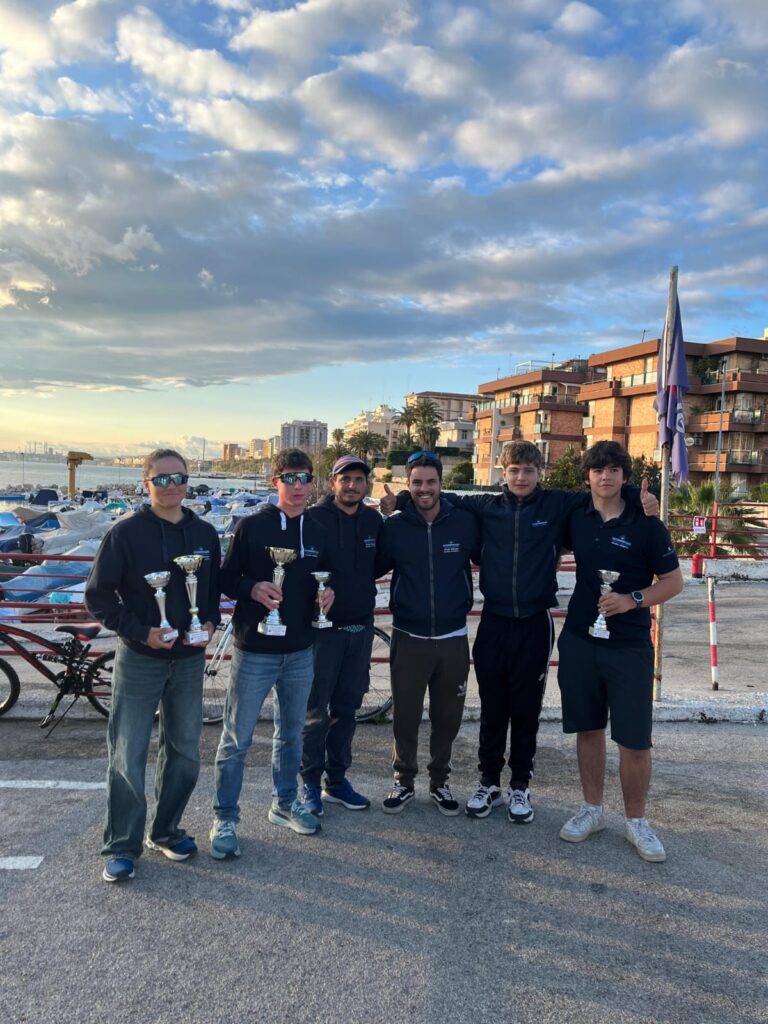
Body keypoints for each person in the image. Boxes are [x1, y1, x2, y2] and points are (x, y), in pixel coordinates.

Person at [380, 440, 658, 825]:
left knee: (526, 710)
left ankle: (520, 786)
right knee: (493, 707)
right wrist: (402, 501)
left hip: (534, 621)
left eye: (528, 470)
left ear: (540, 472)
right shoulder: (486, 505)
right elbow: (441, 496)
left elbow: (601, 491)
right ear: (503, 473)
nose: (521, 477)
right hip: (493, 620)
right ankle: (488, 782)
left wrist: (637, 497)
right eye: (514, 471)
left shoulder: (557, 504)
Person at [85, 449, 220, 884]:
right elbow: (98, 596)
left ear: (188, 480)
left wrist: (210, 623)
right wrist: (141, 632)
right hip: (140, 658)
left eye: (179, 477)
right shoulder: (125, 534)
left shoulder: (205, 533)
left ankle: (165, 830)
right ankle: (121, 845)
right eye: (161, 479)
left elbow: (211, 592)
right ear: (146, 484)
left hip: (188, 661)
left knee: (185, 754)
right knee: (128, 753)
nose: (172, 485)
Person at [557, 441, 682, 862]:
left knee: (634, 739)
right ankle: (592, 809)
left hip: (629, 645)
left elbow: (673, 582)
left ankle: (637, 821)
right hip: (580, 639)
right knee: (588, 729)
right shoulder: (576, 515)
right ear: (587, 476)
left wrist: (633, 599)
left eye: (613, 470)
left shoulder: (647, 523)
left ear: (624, 476)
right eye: (598, 470)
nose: (605, 476)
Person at [209, 448, 333, 858]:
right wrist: (252, 588)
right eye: (289, 478)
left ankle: (284, 803)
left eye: (304, 478)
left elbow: (325, 579)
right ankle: (225, 816)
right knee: (236, 739)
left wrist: (328, 595)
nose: (298, 486)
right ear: (274, 481)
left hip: (300, 650)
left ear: (312, 483)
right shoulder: (251, 526)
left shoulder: (319, 529)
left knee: (291, 735)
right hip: (255, 650)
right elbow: (226, 579)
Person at [375, 452, 479, 816]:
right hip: (409, 635)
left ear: (440, 484)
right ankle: (403, 780)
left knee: (447, 717)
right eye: (416, 483)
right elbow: (371, 567)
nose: (424, 489)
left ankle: (440, 781)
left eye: (430, 482)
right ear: (408, 484)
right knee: (405, 715)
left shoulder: (463, 523)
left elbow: (493, 550)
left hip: (452, 637)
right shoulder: (396, 527)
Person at [300, 454, 384, 815]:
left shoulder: (373, 520)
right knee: (315, 711)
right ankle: (308, 783)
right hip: (323, 632)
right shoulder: (313, 519)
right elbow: (297, 570)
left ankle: (336, 781)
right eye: (345, 479)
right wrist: (315, 592)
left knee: (347, 710)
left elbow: (381, 564)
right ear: (333, 482)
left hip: (360, 628)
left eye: (358, 480)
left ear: (366, 485)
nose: (352, 485)